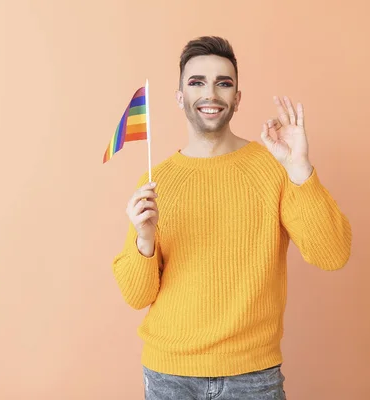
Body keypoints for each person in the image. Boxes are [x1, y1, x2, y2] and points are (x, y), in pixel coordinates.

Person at [111, 36, 352, 400]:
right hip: (169, 376)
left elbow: (332, 255)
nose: (211, 94)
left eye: (223, 83)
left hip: (253, 376)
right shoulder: (154, 181)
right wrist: (143, 241)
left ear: (237, 98)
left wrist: (300, 168)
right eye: (196, 83)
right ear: (179, 97)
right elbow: (136, 295)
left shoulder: (274, 167)